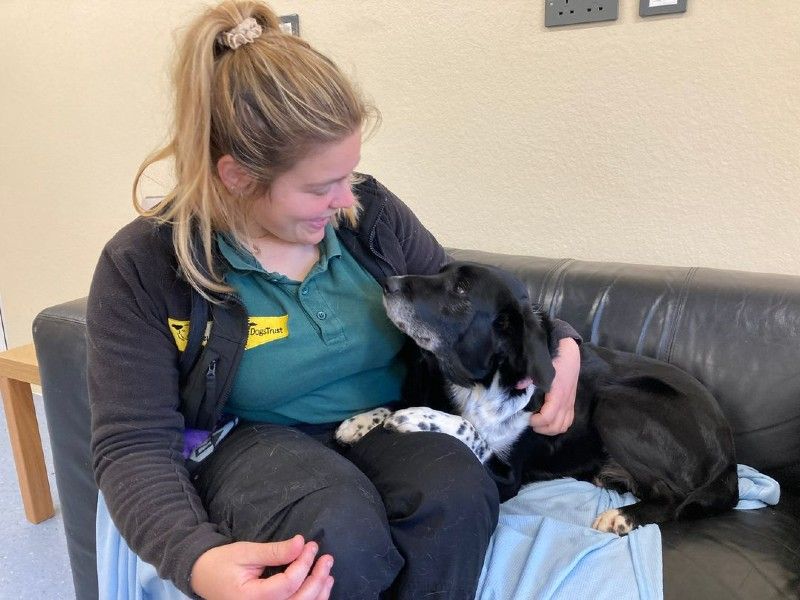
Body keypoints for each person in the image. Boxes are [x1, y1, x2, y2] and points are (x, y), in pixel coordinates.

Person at [87, 1, 582, 599]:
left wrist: (561, 347)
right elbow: (130, 446)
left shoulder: (369, 214)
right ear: (237, 176)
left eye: (350, 174)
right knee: (332, 535)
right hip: (254, 442)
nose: (346, 198)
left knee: (459, 491)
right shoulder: (142, 266)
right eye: (321, 187)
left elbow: (468, 304)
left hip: (384, 420)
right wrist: (196, 560)